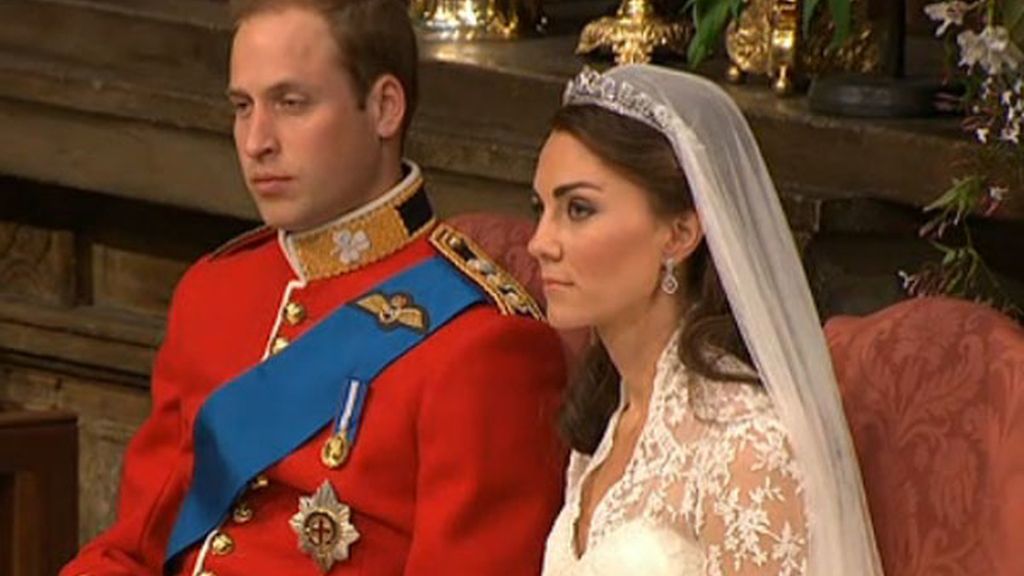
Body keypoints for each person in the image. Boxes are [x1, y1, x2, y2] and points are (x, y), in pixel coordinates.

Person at [61, 1, 567, 574]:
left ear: (384, 108)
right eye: (242, 107)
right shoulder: (215, 292)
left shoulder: (482, 341)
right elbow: (134, 546)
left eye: (290, 104)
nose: (256, 142)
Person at [529, 64, 884, 575]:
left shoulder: (748, 448)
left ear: (678, 234)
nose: (539, 242)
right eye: (538, 208)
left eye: (578, 209)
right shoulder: (615, 419)